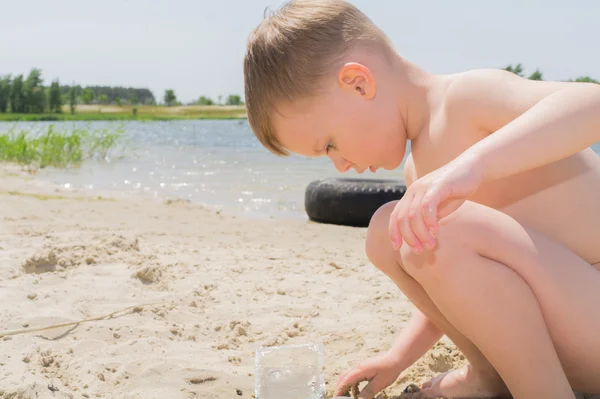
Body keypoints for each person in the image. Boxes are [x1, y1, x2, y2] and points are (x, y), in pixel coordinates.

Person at [243, 1, 600, 398]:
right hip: (562, 347)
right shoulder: (419, 174)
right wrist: (398, 357)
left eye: (329, 144)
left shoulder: (466, 100)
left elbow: (592, 105)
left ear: (358, 83)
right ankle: (489, 376)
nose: (340, 163)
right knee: (387, 230)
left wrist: (474, 165)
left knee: (435, 228)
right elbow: (465, 286)